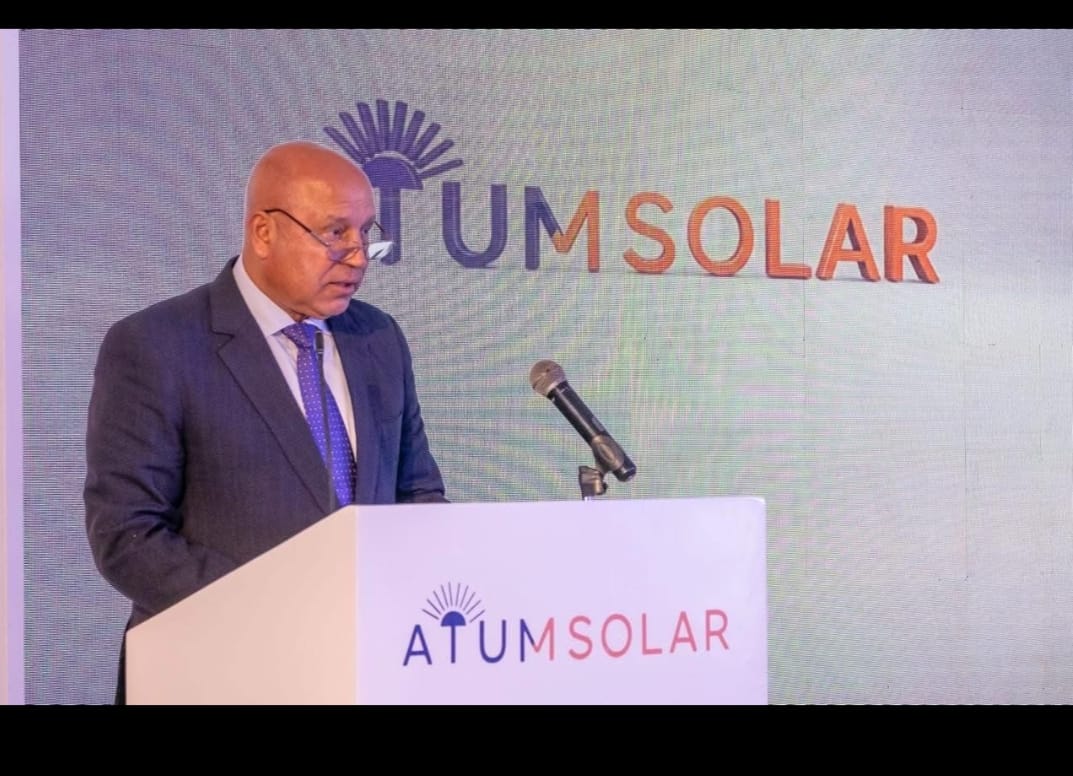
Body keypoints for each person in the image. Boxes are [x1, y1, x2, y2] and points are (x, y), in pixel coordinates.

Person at [83, 140, 448, 704]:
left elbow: (417, 493)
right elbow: (128, 536)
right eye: (335, 233)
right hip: (213, 675)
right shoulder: (156, 344)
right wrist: (278, 613)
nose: (357, 256)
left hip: (363, 674)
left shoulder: (378, 338)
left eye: (364, 233)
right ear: (263, 232)